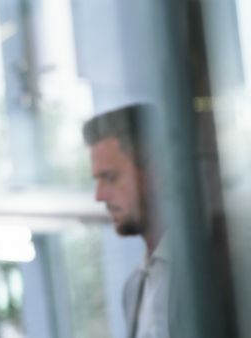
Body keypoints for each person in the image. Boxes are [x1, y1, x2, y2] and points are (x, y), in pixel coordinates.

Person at [83, 104, 171, 338]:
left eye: (110, 178)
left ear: (156, 172)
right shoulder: (134, 288)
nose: (99, 196)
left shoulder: (208, 268)